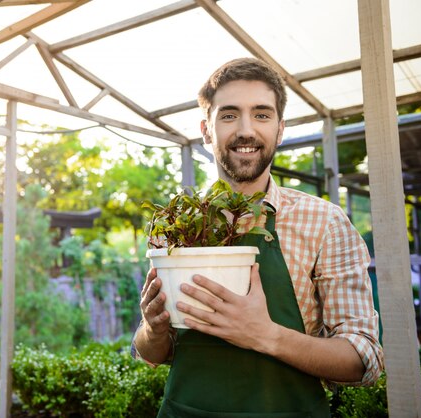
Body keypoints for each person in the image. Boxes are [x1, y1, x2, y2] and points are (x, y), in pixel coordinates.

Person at [131, 57, 384, 417]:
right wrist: (151, 330)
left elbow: (364, 359)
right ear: (206, 130)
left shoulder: (324, 222)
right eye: (229, 115)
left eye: (262, 115)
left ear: (280, 130)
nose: (246, 130)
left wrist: (265, 335)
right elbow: (152, 352)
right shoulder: (176, 225)